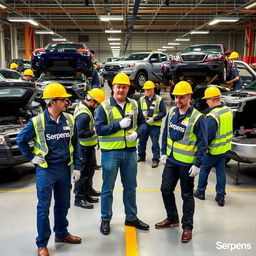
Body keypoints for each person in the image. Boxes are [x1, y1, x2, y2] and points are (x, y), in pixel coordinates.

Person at [16, 83, 82, 256]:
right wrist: (31, 157)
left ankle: (61, 233)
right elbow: (21, 139)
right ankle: (42, 243)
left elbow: (76, 143)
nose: (66, 101)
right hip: (46, 170)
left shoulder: (69, 119)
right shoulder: (37, 122)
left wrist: (78, 167)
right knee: (43, 207)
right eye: (63, 99)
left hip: (64, 168)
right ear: (52, 102)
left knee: (63, 204)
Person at [95, 73, 149, 235]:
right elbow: (99, 129)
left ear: (128, 89)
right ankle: (105, 219)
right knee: (107, 189)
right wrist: (118, 125)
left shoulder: (134, 104)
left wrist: (137, 134)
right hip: (111, 153)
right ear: (113, 88)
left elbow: (144, 124)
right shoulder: (103, 107)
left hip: (130, 153)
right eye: (118, 87)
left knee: (131, 187)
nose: (121, 90)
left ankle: (131, 217)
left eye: (124, 87)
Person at [155, 81, 207, 243]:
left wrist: (198, 164)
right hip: (171, 160)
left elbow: (203, 144)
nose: (178, 100)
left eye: (181, 97)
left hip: (187, 164)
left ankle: (187, 227)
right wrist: (163, 152)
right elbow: (165, 134)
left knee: (187, 195)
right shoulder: (172, 112)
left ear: (189, 97)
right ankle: (172, 218)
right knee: (165, 189)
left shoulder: (198, 118)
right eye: (176, 97)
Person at [194, 86, 233, 207]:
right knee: (221, 172)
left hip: (213, 150)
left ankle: (200, 192)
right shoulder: (228, 110)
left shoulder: (213, 116)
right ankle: (220, 197)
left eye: (207, 100)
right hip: (225, 149)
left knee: (204, 169)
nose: (206, 102)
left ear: (212, 99)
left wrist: (203, 148)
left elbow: (208, 136)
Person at [73, 88, 106, 209]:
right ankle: (79, 197)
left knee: (90, 170)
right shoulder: (84, 115)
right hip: (83, 148)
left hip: (89, 147)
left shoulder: (86, 107)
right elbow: (80, 133)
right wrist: (94, 131)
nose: (98, 107)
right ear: (92, 101)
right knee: (83, 174)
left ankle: (87, 192)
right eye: (97, 104)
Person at [138, 80, 166, 168]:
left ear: (153, 89)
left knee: (155, 143)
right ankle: (141, 156)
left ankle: (155, 159)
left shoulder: (159, 99)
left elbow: (163, 112)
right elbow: (137, 112)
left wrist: (154, 119)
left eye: (149, 90)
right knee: (141, 142)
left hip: (155, 126)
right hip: (144, 125)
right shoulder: (141, 99)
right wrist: (142, 115)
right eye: (145, 90)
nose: (147, 91)